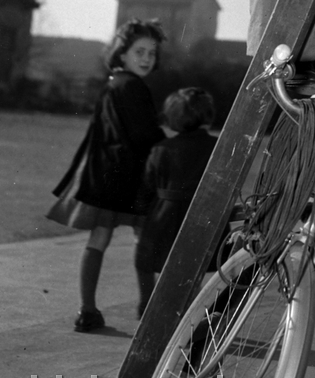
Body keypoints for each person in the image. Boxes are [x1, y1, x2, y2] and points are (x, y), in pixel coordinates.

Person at [47, 19, 165, 332]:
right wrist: (167, 145)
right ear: (122, 53)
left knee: (99, 238)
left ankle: (87, 309)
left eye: (151, 53)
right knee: (144, 240)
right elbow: (144, 135)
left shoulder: (113, 83)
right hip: (131, 175)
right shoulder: (133, 87)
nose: (146, 58)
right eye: (139, 51)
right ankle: (148, 303)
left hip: (105, 174)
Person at [133, 87, 217, 314]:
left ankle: (146, 303)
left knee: (146, 260)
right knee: (191, 265)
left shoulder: (162, 149)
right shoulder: (217, 147)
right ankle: (194, 310)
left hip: (163, 214)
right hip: (201, 214)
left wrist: (139, 218)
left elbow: (147, 186)